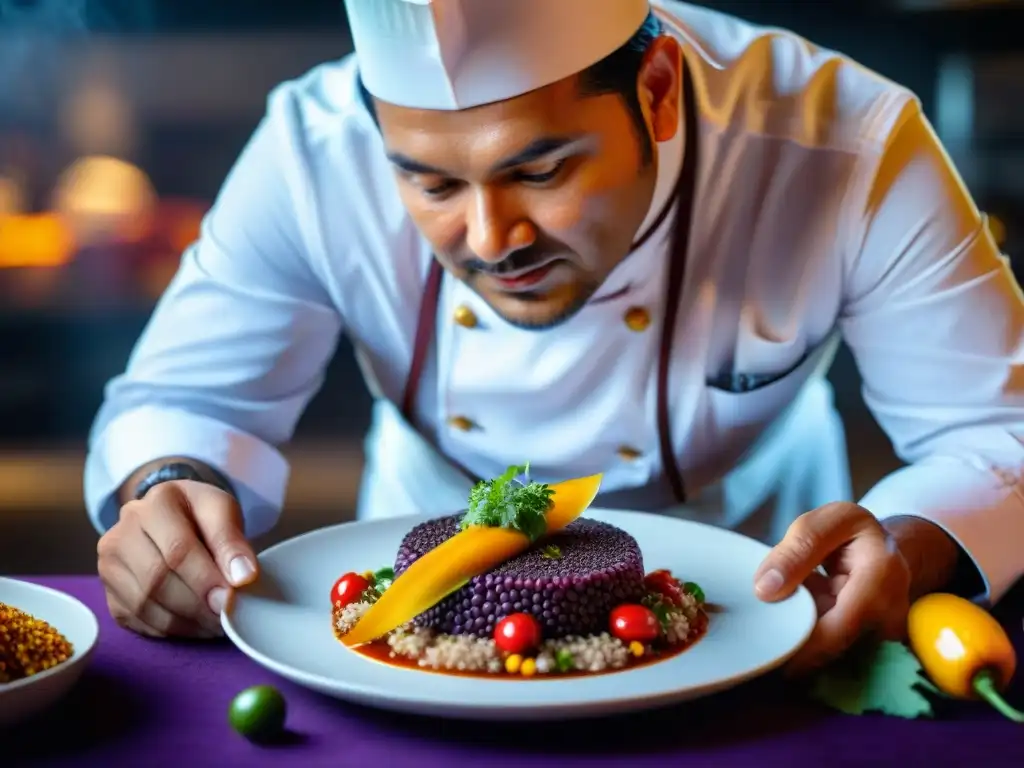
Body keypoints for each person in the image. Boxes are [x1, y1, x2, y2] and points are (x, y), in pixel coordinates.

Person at [87, 0, 1024, 673]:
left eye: (540, 169)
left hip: (772, 600)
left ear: (657, 91)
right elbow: (183, 403)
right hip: (428, 627)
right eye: (433, 186)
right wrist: (169, 492)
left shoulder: (848, 144)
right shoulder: (309, 150)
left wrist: (906, 543)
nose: (492, 240)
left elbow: (996, 431)